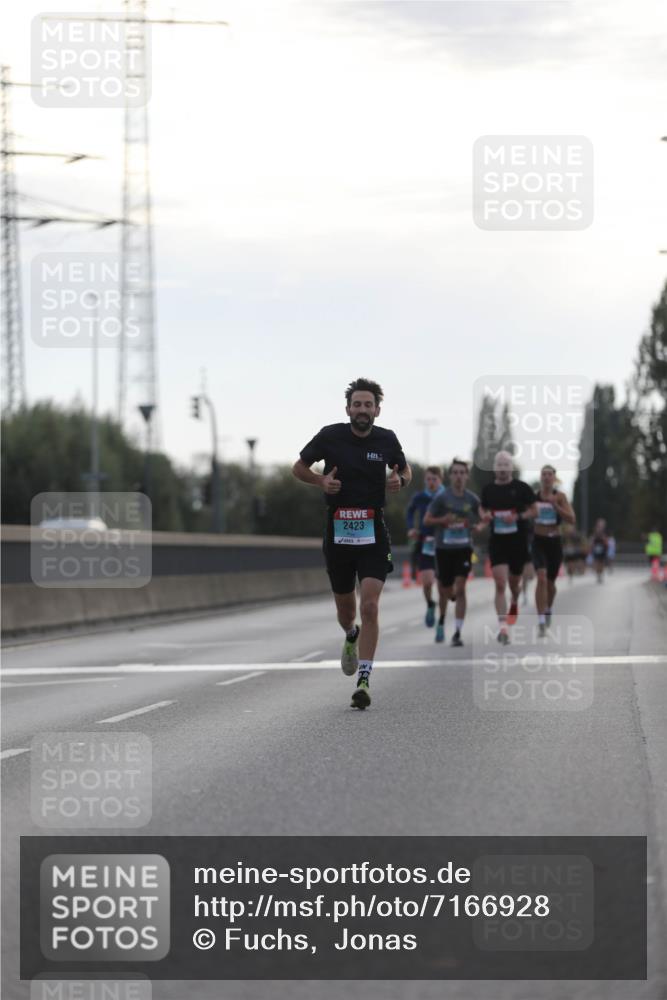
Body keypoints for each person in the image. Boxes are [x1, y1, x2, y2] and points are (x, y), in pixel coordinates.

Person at [292, 377, 411, 710]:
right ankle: (350, 634)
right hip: (339, 533)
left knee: (370, 605)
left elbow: (405, 470)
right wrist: (320, 481)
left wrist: (400, 480)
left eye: (368, 405)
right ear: (348, 409)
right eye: (357, 404)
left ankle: (364, 680)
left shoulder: (387, 439)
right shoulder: (330, 436)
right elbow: (298, 467)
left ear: (377, 410)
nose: (362, 409)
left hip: (373, 532)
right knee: (347, 612)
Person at [479, 451, 537, 645]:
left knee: (514, 584)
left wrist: (518, 517)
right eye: (499, 465)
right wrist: (485, 515)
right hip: (497, 542)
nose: (503, 469)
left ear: (511, 467)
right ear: (494, 468)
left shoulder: (522, 488)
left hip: (517, 542)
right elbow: (482, 507)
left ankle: (514, 600)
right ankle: (503, 627)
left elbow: (534, 510)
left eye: (506, 465)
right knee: (500, 583)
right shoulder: (488, 489)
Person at [423, 458, 481, 646]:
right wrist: (442, 520)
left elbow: (484, 517)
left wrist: (480, 526)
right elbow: (427, 520)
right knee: (445, 590)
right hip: (444, 549)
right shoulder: (442, 498)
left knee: (461, 587)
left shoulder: (472, 499)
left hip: (464, 548)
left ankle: (457, 632)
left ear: (467, 476)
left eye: (462, 473)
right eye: (455, 473)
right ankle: (449, 601)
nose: (458, 476)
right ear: (450, 476)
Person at [531, 464, 576, 637]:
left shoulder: (560, 497)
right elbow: (525, 513)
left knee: (550, 585)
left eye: (550, 474)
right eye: (544, 474)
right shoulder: (534, 497)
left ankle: (548, 608)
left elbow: (572, 519)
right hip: (538, 541)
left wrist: (556, 506)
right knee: (541, 578)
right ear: (540, 477)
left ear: (554, 478)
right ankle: (541, 620)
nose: (546, 477)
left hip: (554, 543)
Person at [405, 467, 445, 629]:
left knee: (443, 587)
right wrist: (411, 528)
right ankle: (430, 604)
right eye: (428, 479)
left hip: (445, 544)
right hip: (425, 542)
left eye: (434, 479)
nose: (431, 482)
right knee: (427, 582)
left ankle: (441, 621)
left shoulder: (447, 496)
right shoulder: (420, 497)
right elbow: (410, 512)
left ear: (440, 480)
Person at [589, 519, 609, 583]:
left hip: (602, 550)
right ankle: (598, 575)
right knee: (597, 563)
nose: (600, 526)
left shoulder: (605, 533)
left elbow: (607, 542)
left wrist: (605, 542)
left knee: (601, 563)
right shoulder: (595, 533)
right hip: (596, 550)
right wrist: (591, 548)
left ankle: (600, 574)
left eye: (602, 525)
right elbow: (592, 541)